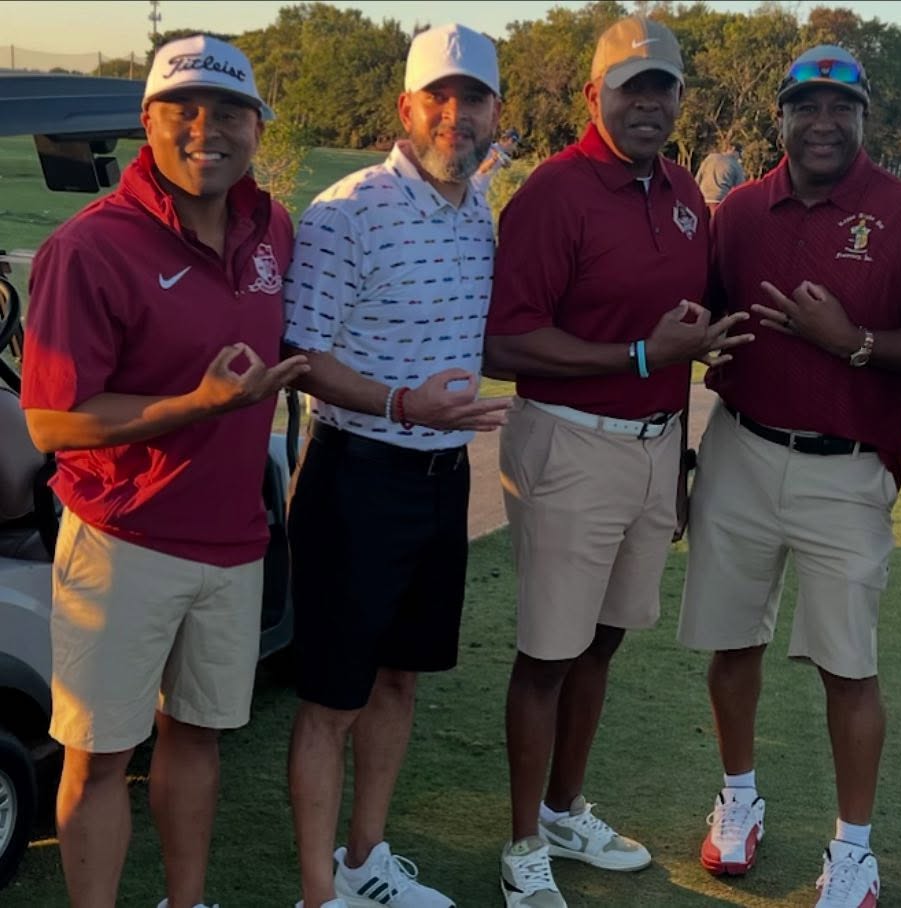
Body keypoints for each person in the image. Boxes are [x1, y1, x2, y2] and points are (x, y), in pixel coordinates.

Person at [19, 34, 306, 908]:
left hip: (234, 540)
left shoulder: (273, 229)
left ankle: (188, 901)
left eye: (227, 112)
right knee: (102, 755)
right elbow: (51, 420)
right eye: (182, 109)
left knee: (198, 736)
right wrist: (195, 407)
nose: (205, 129)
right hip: (123, 539)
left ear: (256, 125)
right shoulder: (91, 247)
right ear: (149, 122)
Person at [676, 43, 901, 908]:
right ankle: (738, 799)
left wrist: (854, 344)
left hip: (847, 464)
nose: (824, 121)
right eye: (806, 105)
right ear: (782, 118)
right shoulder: (739, 211)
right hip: (741, 445)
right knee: (733, 641)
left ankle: (854, 849)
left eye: (841, 107)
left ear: (866, 118)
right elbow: (706, 314)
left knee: (848, 664)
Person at [484, 15, 751, 908]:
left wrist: (673, 446)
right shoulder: (554, 194)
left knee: (601, 643)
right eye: (630, 86)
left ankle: (564, 808)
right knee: (547, 654)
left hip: (650, 447)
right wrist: (638, 355)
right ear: (592, 93)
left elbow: (685, 325)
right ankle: (524, 842)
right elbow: (505, 342)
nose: (648, 103)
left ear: (680, 98)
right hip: (567, 440)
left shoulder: (681, 188)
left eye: (662, 87)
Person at [282, 22, 510, 908]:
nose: (456, 115)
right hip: (356, 474)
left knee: (400, 675)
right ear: (407, 107)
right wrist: (398, 404)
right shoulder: (345, 210)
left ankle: (364, 860)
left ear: (496, 113)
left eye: (474, 99)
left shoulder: (476, 206)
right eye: (439, 98)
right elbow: (302, 354)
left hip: (440, 476)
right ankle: (317, 895)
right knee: (331, 699)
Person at [694, 141, 746, 213]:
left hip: (702, 199)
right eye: (739, 155)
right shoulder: (736, 165)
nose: (739, 158)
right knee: (716, 223)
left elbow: (698, 179)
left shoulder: (710, 158)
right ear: (734, 149)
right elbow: (741, 189)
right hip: (720, 200)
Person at [472, 127, 521, 196]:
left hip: (483, 192)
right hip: (475, 189)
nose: (515, 148)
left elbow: (508, 166)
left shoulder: (503, 155)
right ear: (511, 140)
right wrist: (494, 159)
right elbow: (481, 170)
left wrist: (506, 164)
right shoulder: (490, 148)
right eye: (516, 144)